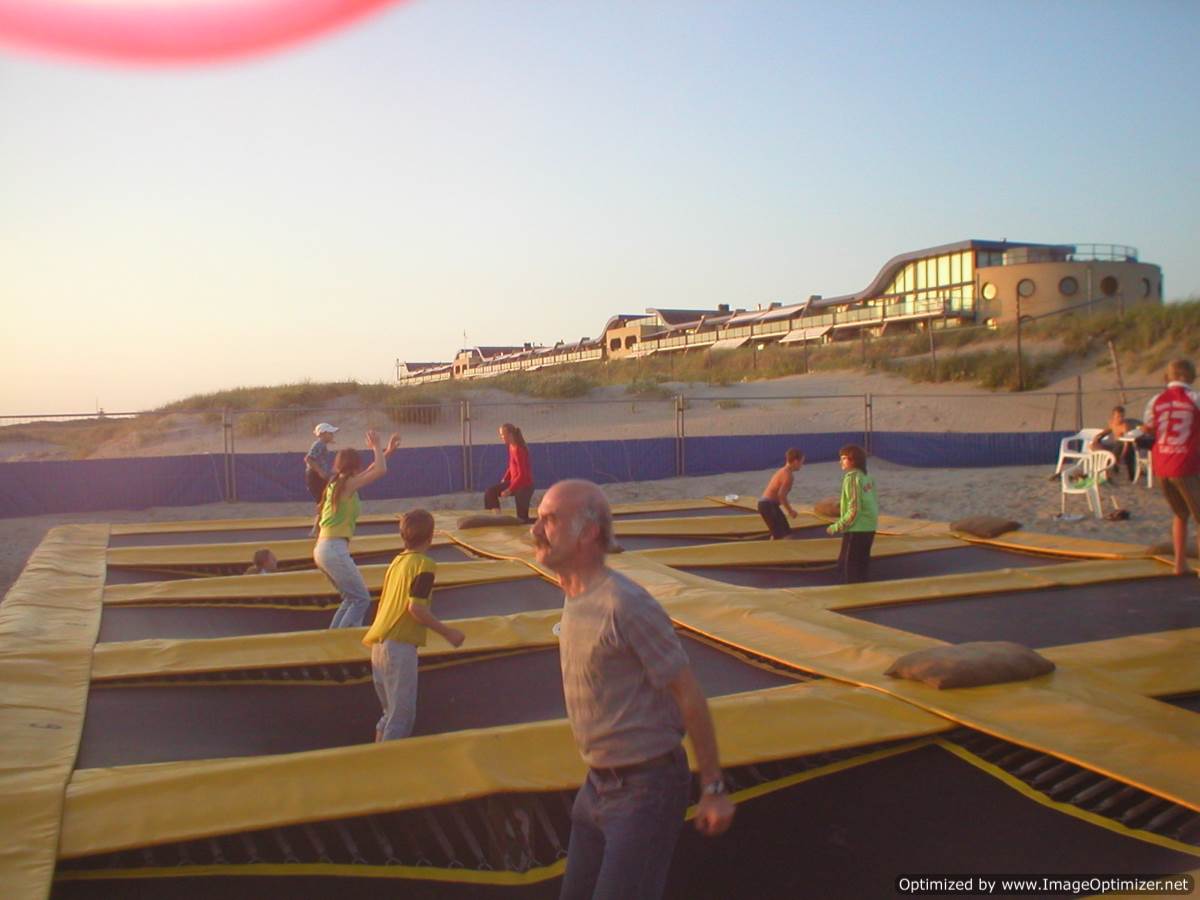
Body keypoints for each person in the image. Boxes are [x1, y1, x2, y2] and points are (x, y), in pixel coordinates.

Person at [531, 479, 735, 899]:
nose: (535, 530)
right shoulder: (574, 593)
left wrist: (713, 788)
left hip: (645, 788)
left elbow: (688, 692)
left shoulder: (625, 604)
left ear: (588, 533)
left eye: (549, 520)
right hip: (596, 786)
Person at [362, 509, 465, 741]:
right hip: (399, 646)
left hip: (379, 645)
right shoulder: (424, 565)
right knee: (402, 718)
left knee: (389, 714)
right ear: (431, 537)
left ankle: (377, 754)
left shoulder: (397, 562)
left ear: (403, 536)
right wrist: (448, 633)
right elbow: (416, 608)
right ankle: (390, 761)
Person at [315, 429, 401, 628]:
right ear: (355, 466)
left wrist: (387, 452)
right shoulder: (347, 485)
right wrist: (377, 447)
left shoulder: (339, 483)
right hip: (333, 549)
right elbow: (379, 471)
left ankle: (334, 638)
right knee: (361, 599)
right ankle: (343, 640)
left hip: (324, 549)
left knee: (351, 599)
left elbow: (371, 469)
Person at [1141, 359, 1200, 576]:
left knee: (1180, 514)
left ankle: (1179, 564)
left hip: (1162, 464)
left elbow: (1148, 428)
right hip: (1185, 463)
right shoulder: (1195, 398)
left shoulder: (1156, 400)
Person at [826, 444, 878, 583]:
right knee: (861, 566)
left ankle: (851, 592)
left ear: (853, 460)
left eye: (843, 459)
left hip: (856, 529)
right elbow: (871, 502)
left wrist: (837, 526)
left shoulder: (852, 478)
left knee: (847, 568)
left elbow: (854, 509)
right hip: (869, 527)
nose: (840, 462)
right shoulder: (867, 477)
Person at [484, 423, 535, 523]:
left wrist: (510, 489)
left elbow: (523, 474)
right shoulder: (511, 446)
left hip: (525, 486)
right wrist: (506, 478)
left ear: (510, 435)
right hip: (515, 482)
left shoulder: (519, 449)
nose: (501, 437)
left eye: (503, 435)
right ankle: (497, 517)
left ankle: (543, 521)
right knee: (490, 492)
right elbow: (511, 465)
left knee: (522, 519)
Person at [1089, 405, 1150, 482]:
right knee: (1094, 445)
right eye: (1118, 417)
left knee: (1124, 450)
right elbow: (1108, 430)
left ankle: (1120, 471)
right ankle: (1102, 470)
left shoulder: (1124, 426)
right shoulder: (1111, 423)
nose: (1120, 419)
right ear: (1113, 416)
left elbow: (1126, 443)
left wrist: (1123, 454)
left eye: (1122, 416)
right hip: (1114, 445)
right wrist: (1098, 436)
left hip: (1125, 445)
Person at [757, 448, 804, 539]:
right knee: (785, 536)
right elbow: (781, 495)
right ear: (795, 462)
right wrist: (790, 511)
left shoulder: (782, 471)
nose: (802, 465)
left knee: (781, 533)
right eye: (802, 462)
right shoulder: (788, 475)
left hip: (767, 505)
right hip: (768, 506)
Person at [306, 423, 338, 536]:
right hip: (315, 476)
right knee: (323, 501)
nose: (332, 435)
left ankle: (317, 528)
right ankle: (316, 529)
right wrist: (320, 472)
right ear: (323, 434)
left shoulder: (322, 445)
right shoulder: (319, 444)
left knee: (324, 501)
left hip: (317, 475)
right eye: (330, 433)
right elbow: (309, 459)